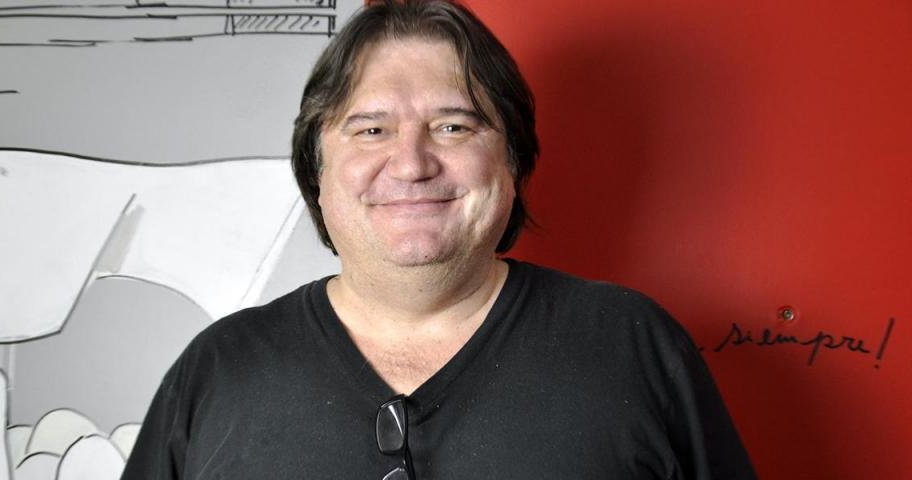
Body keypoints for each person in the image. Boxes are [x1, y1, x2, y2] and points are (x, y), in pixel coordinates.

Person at [121, 1, 756, 478]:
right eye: (371, 130)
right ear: (316, 172)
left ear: (512, 162)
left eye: (453, 127)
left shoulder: (634, 346)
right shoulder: (219, 368)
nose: (411, 163)